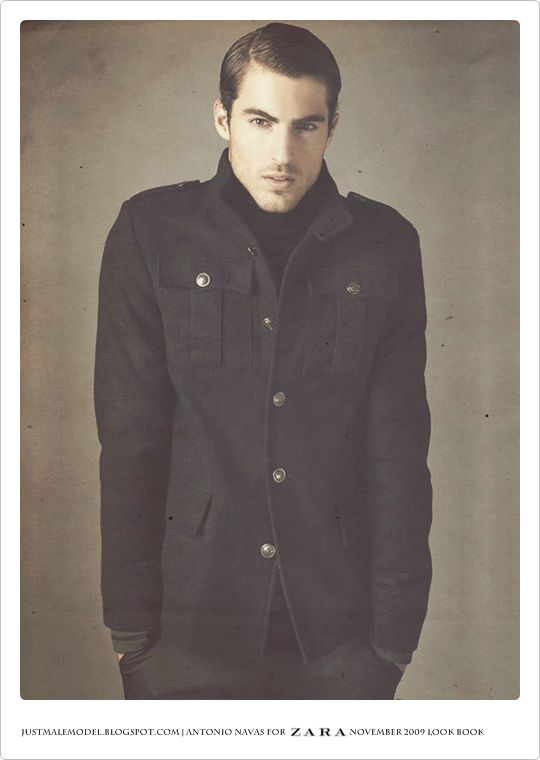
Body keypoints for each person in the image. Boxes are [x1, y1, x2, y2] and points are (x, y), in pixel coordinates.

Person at [94, 22, 432, 700]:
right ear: (223, 119)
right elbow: (130, 442)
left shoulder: (385, 242)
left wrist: (393, 641)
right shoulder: (151, 232)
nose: (283, 152)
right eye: (260, 121)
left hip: (340, 633)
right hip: (188, 629)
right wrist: (131, 632)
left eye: (307, 126)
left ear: (332, 128)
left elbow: (398, 452)